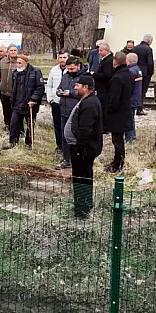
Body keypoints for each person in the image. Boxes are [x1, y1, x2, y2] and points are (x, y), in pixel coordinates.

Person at [64, 74, 103, 218]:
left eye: (78, 85)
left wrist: (79, 150)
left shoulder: (90, 103)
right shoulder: (87, 100)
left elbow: (85, 129)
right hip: (82, 148)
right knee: (82, 178)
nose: (75, 87)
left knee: (82, 179)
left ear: (86, 87)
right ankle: (82, 206)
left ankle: (82, 211)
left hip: (83, 150)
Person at [4, 53, 45, 150]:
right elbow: (14, 87)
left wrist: (33, 99)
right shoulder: (15, 73)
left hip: (30, 104)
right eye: (16, 63)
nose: (17, 65)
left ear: (26, 63)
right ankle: (13, 142)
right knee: (14, 124)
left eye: (19, 63)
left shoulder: (35, 72)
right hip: (17, 103)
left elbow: (40, 88)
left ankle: (29, 143)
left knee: (30, 125)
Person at [104, 52, 134, 173]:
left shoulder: (117, 77)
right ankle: (117, 161)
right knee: (119, 140)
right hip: (124, 111)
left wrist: (110, 110)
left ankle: (118, 165)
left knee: (117, 141)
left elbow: (114, 98)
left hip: (117, 114)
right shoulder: (129, 74)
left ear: (115, 62)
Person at [55, 55, 84, 170]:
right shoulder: (66, 76)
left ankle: (77, 158)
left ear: (78, 66)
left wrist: (71, 93)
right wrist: (59, 92)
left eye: (72, 69)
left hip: (76, 111)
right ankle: (66, 159)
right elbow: (60, 87)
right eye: (68, 69)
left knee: (75, 137)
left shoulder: (84, 77)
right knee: (64, 136)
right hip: (64, 109)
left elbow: (85, 93)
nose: (70, 71)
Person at [46, 50, 69, 154]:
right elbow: (49, 85)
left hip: (67, 103)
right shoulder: (54, 70)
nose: (62, 60)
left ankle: (67, 147)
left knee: (67, 126)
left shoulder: (71, 70)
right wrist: (49, 98)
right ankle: (59, 145)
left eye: (64, 57)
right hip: (55, 102)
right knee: (57, 125)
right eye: (60, 58)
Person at [0, 44, 20, 128]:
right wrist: (0, 85)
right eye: (11, 50)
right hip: (4, 93)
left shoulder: (20, 62)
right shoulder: (3, 61)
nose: (13, 52)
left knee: (15, 113)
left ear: (17, 51)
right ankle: (7, 127)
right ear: (8, 52)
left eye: (15, 50)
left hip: (16, 94)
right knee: (6, 112)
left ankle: (16, 129)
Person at [134, 34, 155, 116]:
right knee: (142, 91)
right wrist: (151, 72)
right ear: (149, 41)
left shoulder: (135, 48)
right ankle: (140, 108)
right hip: (145, 73)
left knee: (135, 90)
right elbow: (150, 63)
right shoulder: (148, 49)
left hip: (135, 71)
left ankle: (134, 107)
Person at [92, 41, 115, 117]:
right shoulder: (106, 59)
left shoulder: (108, 60)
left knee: (102, 107)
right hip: (101, 88)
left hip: (103, 88)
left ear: (107, 51)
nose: (99, 52)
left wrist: (94, 74)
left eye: (101, 50)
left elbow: (106, 75)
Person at [125, 53, 144, 143]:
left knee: (129, 119)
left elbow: (129, 87)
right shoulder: (137, 69)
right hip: (136, 98)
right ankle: (131, 136)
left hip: (131, 99)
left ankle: (131, 137)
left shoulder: (131, 71)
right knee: (131, 118)